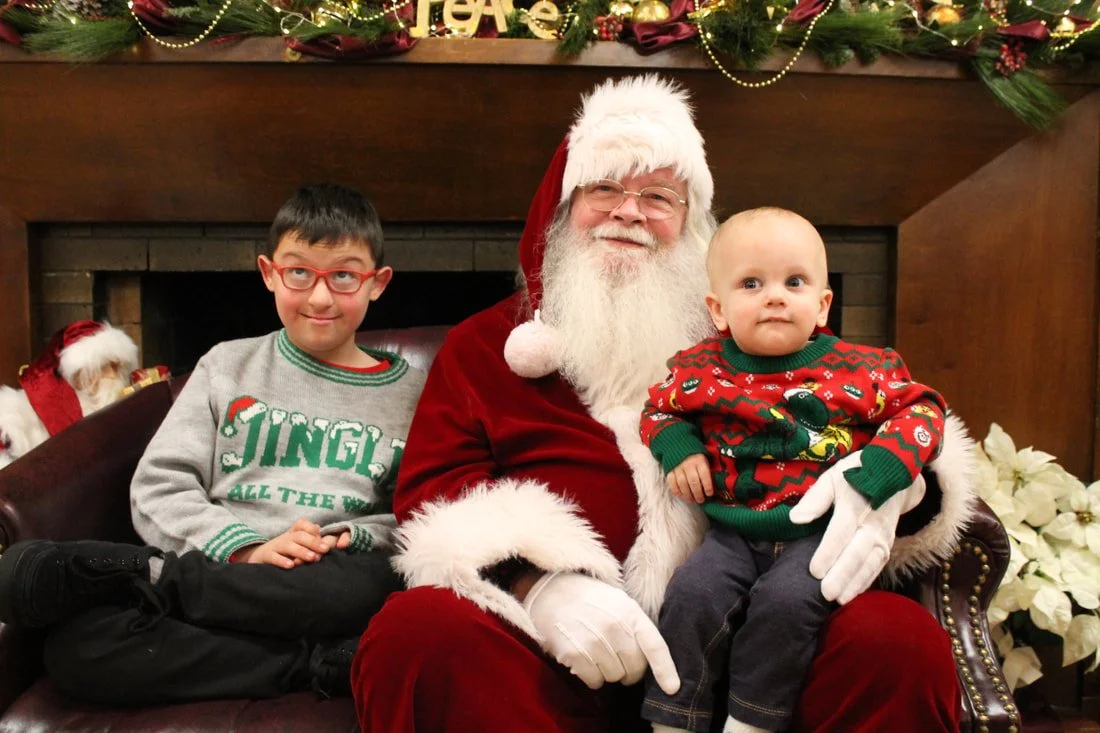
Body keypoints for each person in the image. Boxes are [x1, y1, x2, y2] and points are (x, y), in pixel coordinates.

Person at [353, 75, 975, 732]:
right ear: (561, 210)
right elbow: (434, 498)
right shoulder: (484, 347)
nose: (629, 211)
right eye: (605, 188)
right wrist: (537, 586)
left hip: (749, 650)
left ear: (691, 225)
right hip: (545, 664)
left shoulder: (749, 330)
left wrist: (897, 487)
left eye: (658, 196)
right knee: (415, 631)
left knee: (897, 641)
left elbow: (886, 408)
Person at [0, 182, 425, 705]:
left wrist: (346, 539)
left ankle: (147, 577)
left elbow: (420, 510)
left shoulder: (416, 394)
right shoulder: (226, 366)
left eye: (343, 275)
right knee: (76, 650)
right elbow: (160, 485)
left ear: (376, 283)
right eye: (299, 272)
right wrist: (247, 549)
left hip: (324, 577)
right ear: (269, 273)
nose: (320, 296)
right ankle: (316, 660)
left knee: (373, 584)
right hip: (223, 564)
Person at [639, 207, 948, 733]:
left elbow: (923, 410)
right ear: (719, 309)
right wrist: (679, 447)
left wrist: (882, 469)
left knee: (784, 607)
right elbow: (658, 409)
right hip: (732, 532)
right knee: (691, 596)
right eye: (752, 283)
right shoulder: (701, 369)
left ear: (823, 304)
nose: (775, 296)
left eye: (795, 281)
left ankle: (751, 721)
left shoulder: (861, 369)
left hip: (818, 534)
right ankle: (674, 718)